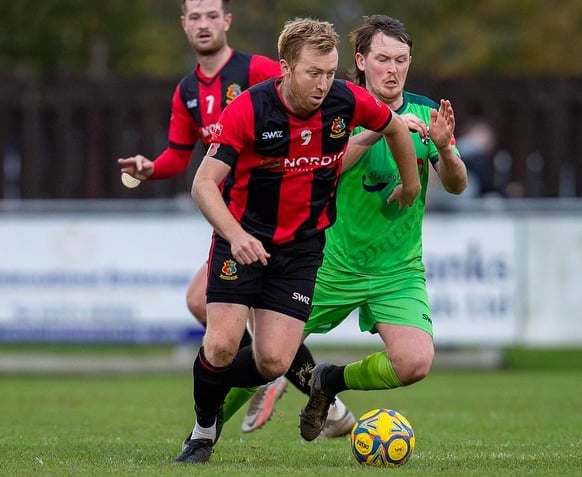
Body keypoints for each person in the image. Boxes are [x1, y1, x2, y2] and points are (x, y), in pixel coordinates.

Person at [173, 17, 421, 464]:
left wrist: (412, 185)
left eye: (330, 72)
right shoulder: (250, 109)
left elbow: (396, 127)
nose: (325, 83)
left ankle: (212, 377)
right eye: (314, 72)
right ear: (286, 67)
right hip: (241, 240)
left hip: (302, 250)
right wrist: (236, 234)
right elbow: (203, 185)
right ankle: (203, 431)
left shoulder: (346, 100)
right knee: (222, 345)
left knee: (272, 362)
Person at [116, 0, 353, 438]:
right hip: (234, 222)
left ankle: (299, 388)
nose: (203, 24)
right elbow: (180, 155)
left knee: (227, 318)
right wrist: (151, 167)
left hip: (281, 222)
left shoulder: (259, 71)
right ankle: (289, 384)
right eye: (194, 16)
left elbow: (313, 113)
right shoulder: (188, 89)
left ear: (226, 21)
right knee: (203, 306)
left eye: (212, 15)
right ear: (184, 24)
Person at [297, 14, 467, 441]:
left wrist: (445, 149)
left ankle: (329, 381)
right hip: (333, 264)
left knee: (414, 364)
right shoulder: (337, 108)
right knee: (268, 354)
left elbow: (457, 183)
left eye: (401, 59)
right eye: (383, 59)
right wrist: (382, 127)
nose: (393, 69)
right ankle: (206, 428)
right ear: (361, 60)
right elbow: (326, 169)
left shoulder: (426, 112)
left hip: (397, 270)